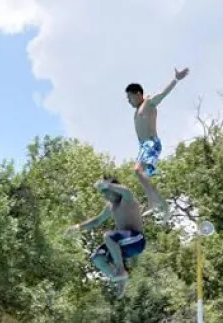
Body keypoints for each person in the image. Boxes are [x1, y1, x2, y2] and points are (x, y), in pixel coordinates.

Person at [125, 67, 190, 216]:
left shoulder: (148, 103)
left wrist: (176, 79)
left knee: (137, 170)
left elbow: (162, 94)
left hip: (151, 144)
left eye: (130, 98)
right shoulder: (137, 111)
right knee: (141, 175)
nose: (129, 101)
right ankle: (156, 203)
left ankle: (158, 202)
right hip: (143, 147)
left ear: (138, 94)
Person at [66, 179, 146, 296]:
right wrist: (78, 227)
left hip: (137, 241)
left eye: (106, 192)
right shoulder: (110, 207)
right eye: (103, 193)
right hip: (123, 245)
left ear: (115, 190)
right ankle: (120, 279)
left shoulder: (127, 200)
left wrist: (107, 184)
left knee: (108, 236)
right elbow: (97, 221)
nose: (105, 196)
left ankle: (121, 270)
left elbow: (126, 190)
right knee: (97, 258)